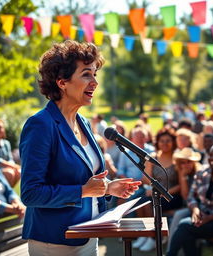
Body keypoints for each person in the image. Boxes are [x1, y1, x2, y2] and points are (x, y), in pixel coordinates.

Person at [19, 40, 142, 256]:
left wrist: (108, 188)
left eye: (95, 74)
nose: (94, 82)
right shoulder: (41, 125)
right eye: (86, 74)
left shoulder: (83, 123)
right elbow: (31, 193)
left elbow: (85, 180)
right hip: (55, 241)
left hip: (87, 233)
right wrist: (83, 191)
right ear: (62, 82)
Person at [167, 142, 213, 256]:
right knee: (187, 232)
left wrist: (209, 218)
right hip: (203, 218)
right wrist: (195, 211)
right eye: (211, 155)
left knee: (184, 226)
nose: (212, 158)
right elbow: (191, 197)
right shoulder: (203, 173)